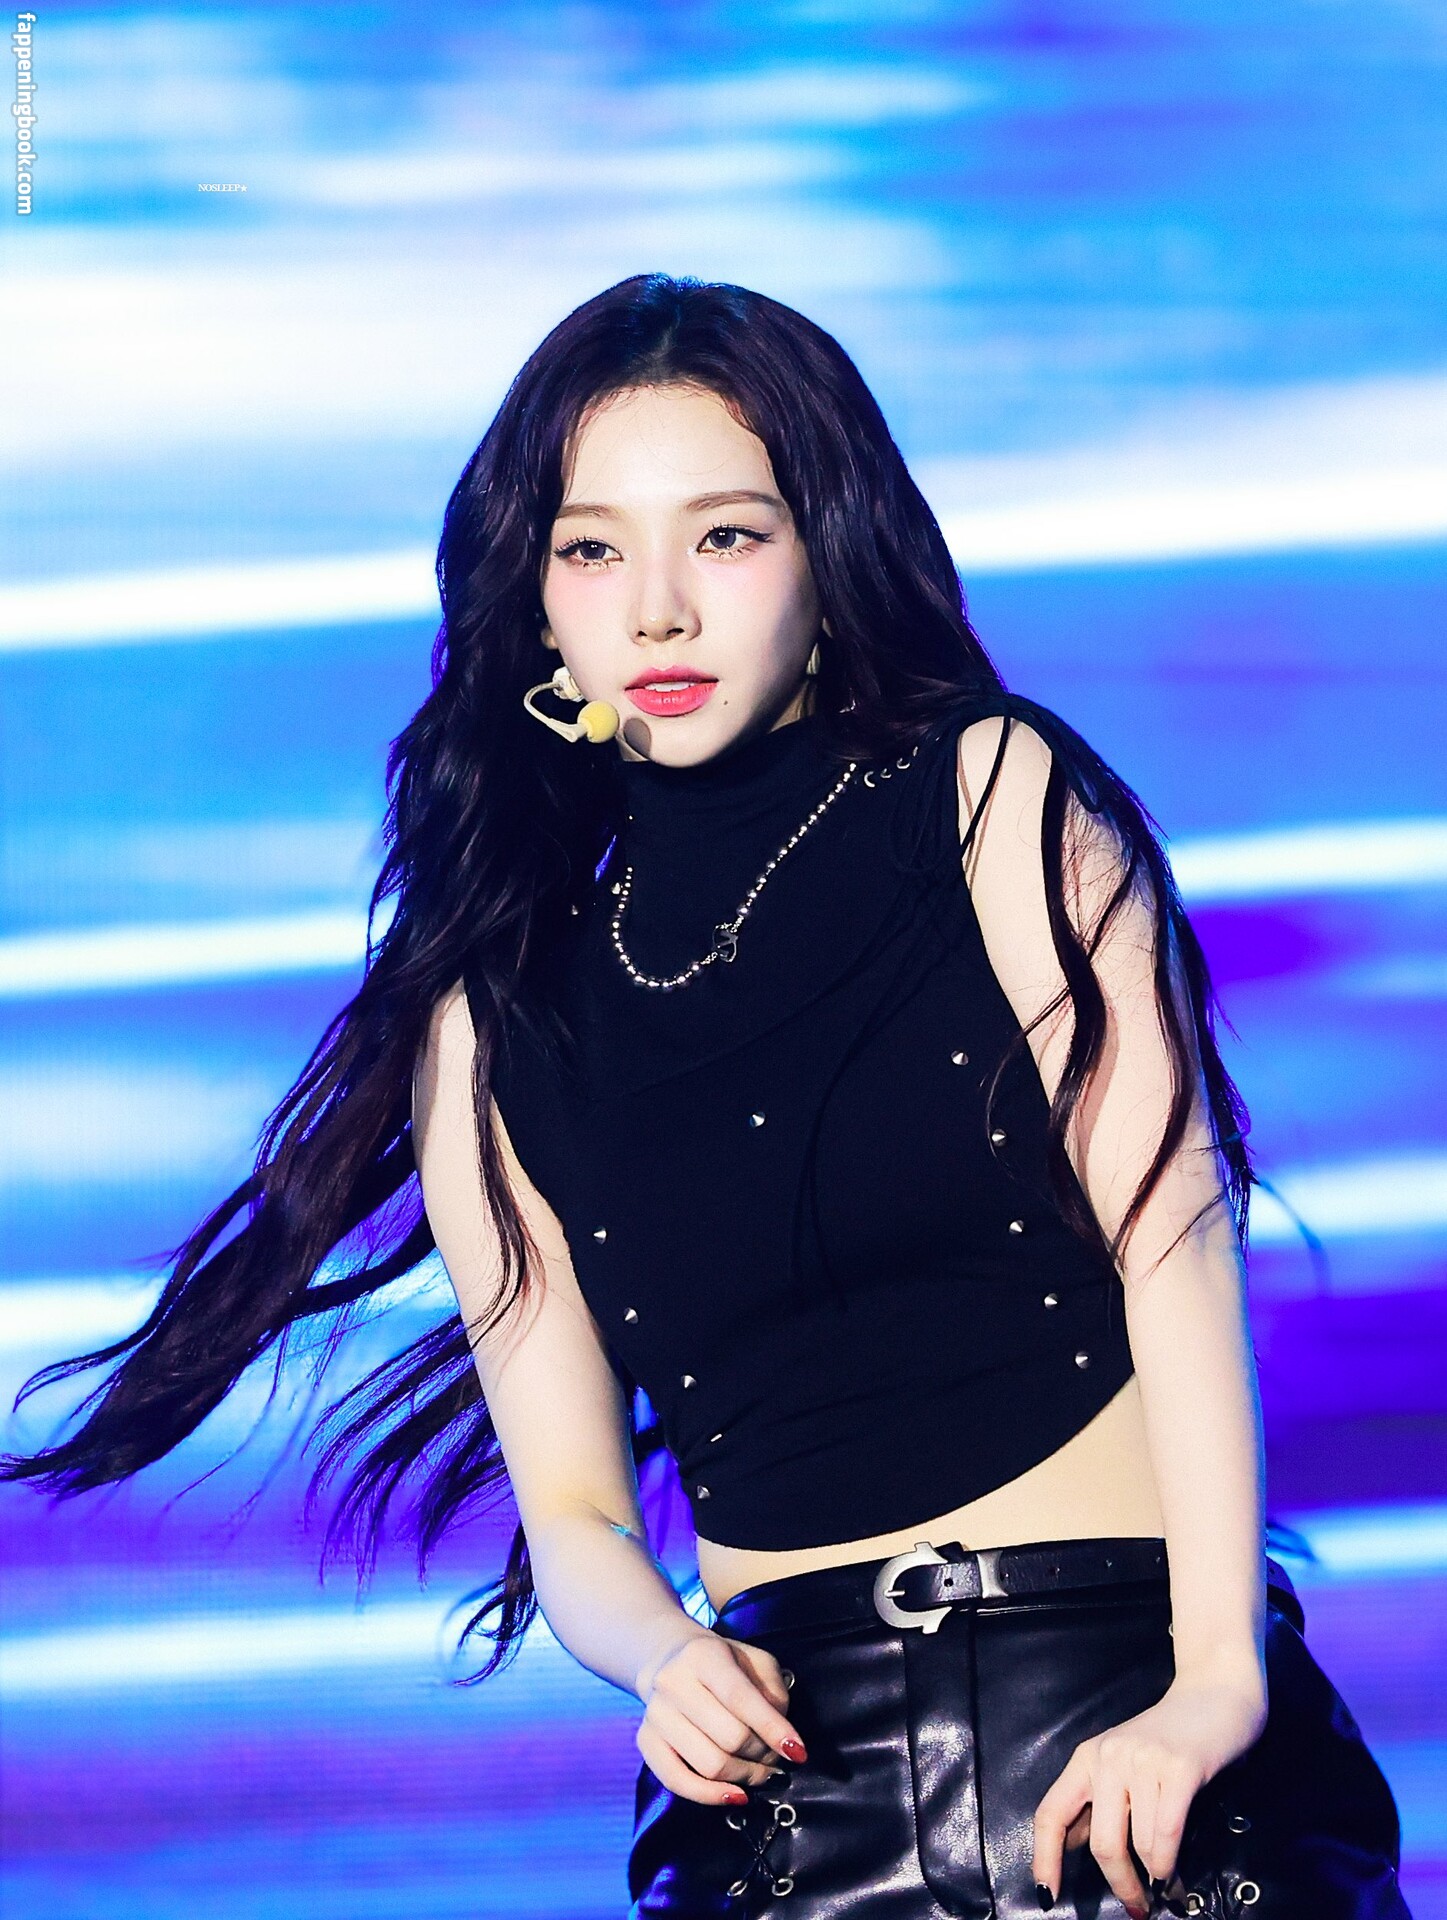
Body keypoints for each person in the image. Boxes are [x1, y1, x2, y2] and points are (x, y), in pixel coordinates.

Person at [5, 275, 1408, 1919]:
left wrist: (1216, 1680)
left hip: (1133, 1737)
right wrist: (662, 1656)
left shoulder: (990, 795)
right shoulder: (493, 1015)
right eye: (594, 551)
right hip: (787, 1802)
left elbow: (1177, 1247)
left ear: (829, 548)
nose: (658, 611)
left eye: (726, 537)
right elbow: (577, 1514)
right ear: (536, 600)